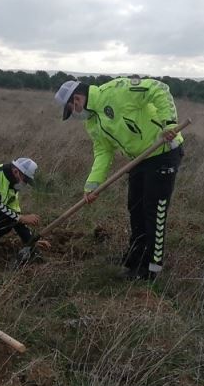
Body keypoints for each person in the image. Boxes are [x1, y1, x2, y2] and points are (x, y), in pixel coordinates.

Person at [54, 78, 184, 280]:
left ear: (78, 99)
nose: (75, 114)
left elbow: (159, 89)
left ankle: (152, 269)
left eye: (72, 108)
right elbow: (103, 152)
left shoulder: (117, 91)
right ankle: (135, 259)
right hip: (138, 160)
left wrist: (169, 123)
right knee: (135, 208)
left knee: (154, 212)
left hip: (162, 151)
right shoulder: (92, 122)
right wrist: (92, 184)